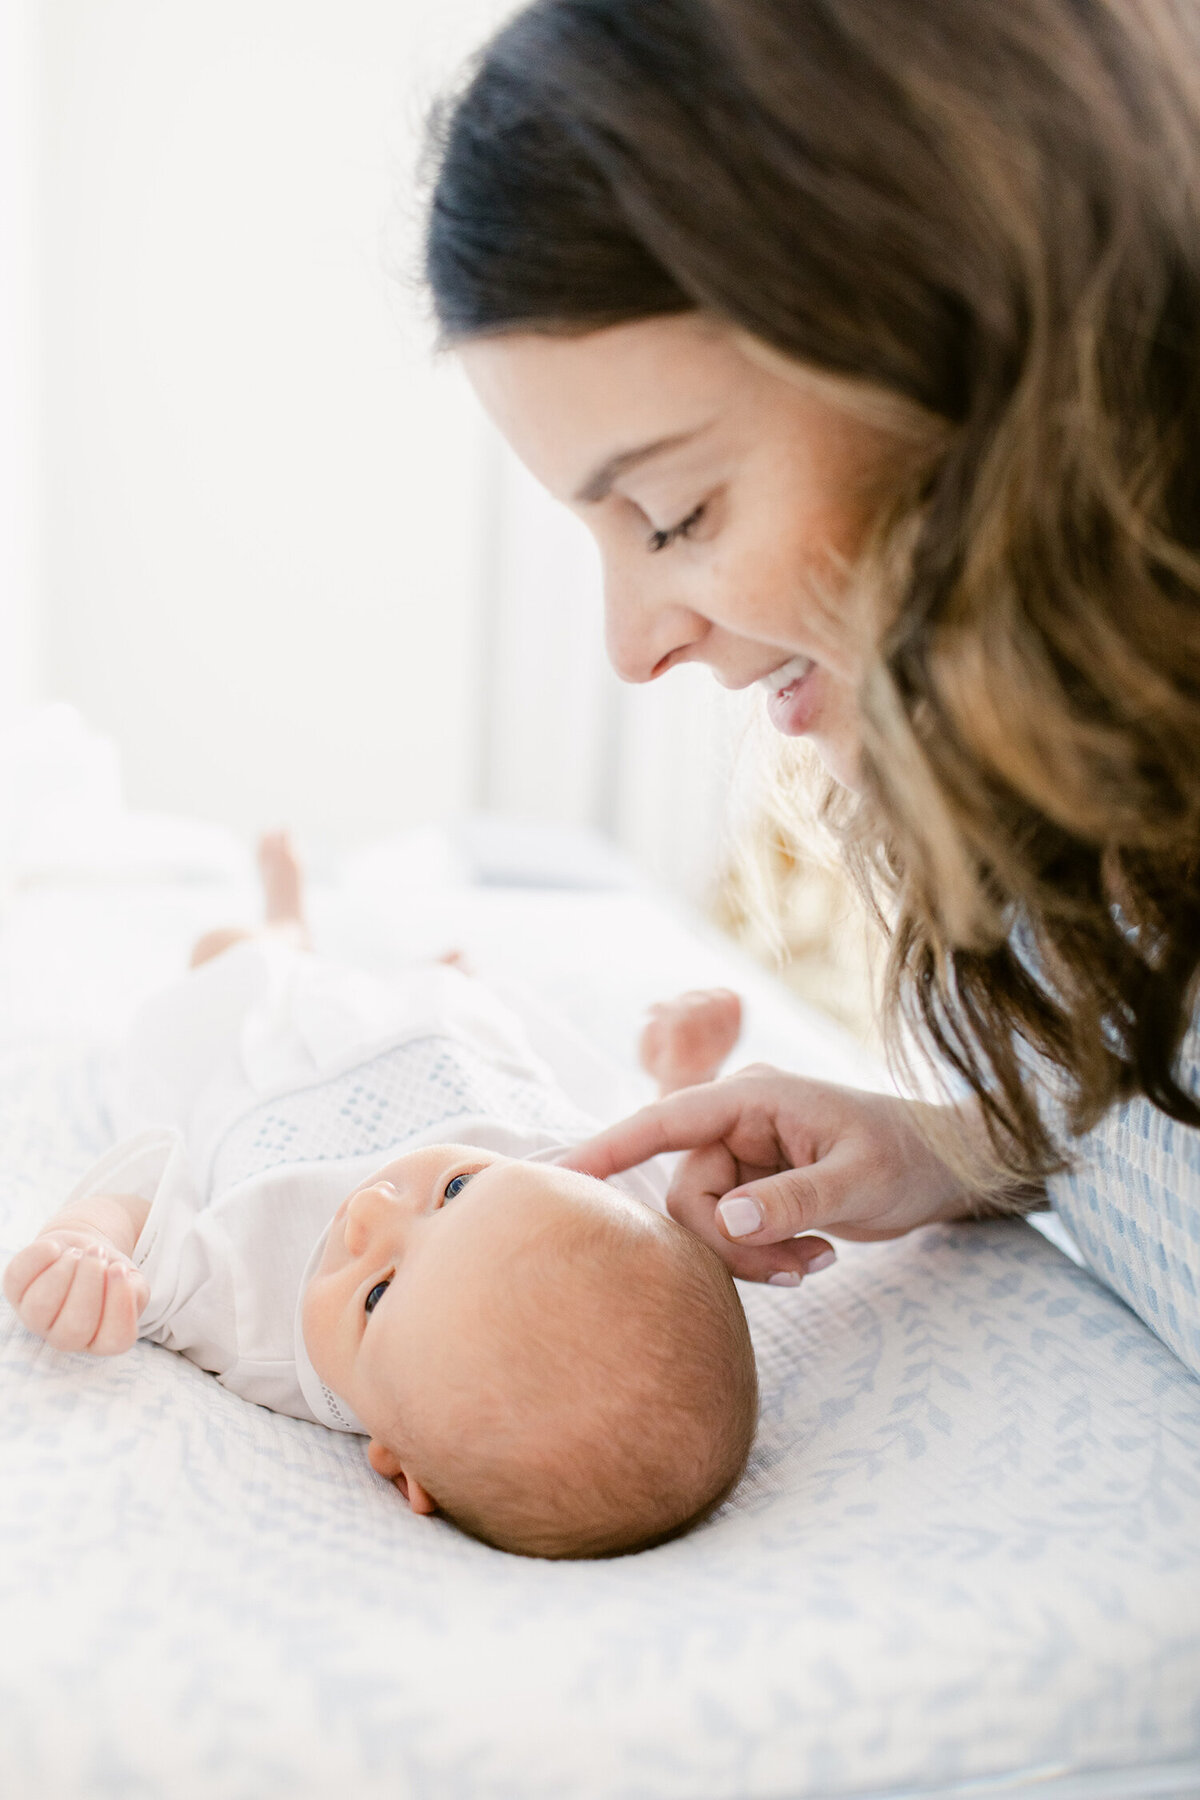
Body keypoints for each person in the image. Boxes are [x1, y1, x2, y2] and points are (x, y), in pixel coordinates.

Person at [423, 0, 1200, 1378]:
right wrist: (962, 1142)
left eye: (672, 514)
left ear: (964, 357)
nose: (633, 648)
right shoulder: (1066, 817)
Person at [1, 836, 759, 1559]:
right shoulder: (598, 1213)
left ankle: (286, 919)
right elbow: (671, 1171)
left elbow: (139, 1219)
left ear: (400, 1469)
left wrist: (84, 1244)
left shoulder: (254, 1321)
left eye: (376, 1295)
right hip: (440, 1041)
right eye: (458, 1189)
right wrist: (683, 1082)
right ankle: (412, 977)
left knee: (231, 953)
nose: (372, 1209)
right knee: (448, 999)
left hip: (279, 1052)